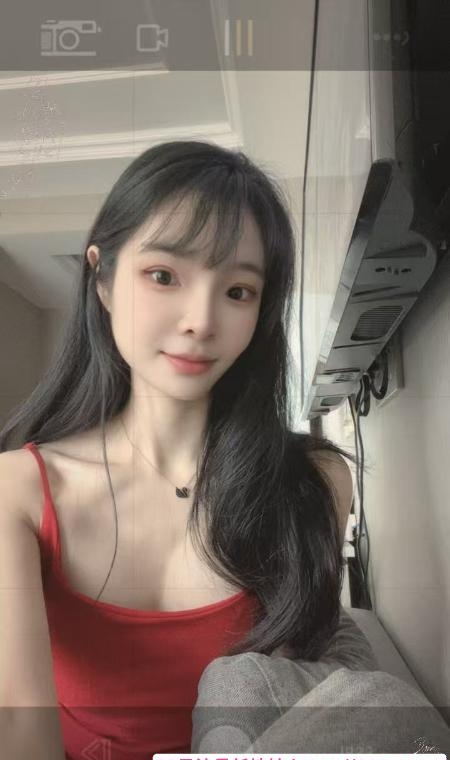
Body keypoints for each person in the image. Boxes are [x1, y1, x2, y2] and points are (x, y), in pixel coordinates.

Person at [0, 140, 358, 759]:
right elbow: (20, 729)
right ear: (102, 279)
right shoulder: (19, 490)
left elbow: (285, 697)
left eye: (238, 291)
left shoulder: (313, 479)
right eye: (164, 276)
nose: (201, 320)